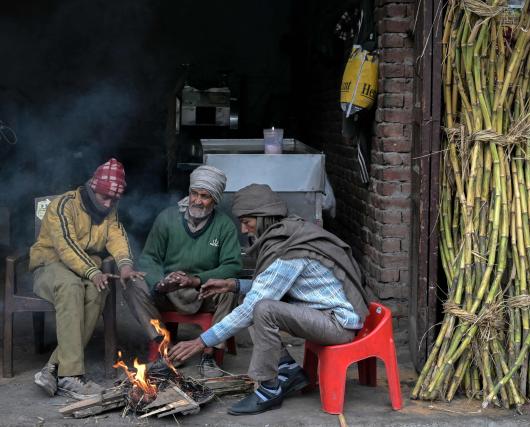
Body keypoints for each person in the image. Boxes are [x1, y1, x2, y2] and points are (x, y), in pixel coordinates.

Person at [169, 183, 370, 415]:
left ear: (264, 217)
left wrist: (201, 341)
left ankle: (269, 389)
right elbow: (272, 287)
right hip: (322, 314)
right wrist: (232, 285)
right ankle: (287, 370)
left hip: (336, 324)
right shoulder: (288, 231)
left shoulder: (288, 252)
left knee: (262, 309)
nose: (244, 229)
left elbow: (256, 304)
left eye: (247, 222)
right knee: (258, 301)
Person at [30, 158, 146, 399]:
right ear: (92, 188)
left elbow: (117, 237)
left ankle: (53, 368)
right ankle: (71, 376)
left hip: (86, 270)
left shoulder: (110, 209)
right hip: (51, 265)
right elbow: (65, 246)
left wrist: (125, 266)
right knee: (71, 286)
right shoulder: (63, 205)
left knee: (97, 290)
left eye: (114, 199)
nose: (108, 203)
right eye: (105, 198)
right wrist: (93, 272)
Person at [123, 165, 242, 377]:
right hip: (168, 291)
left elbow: (232, 265)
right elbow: (149, 257)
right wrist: (160, 281)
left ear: (215, 199)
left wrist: (196, 280)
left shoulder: (224, 226)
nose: (197, 200)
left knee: (230, 289)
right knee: (132, 283)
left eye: (205, 196)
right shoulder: (167, 218)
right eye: (194, 193)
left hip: (204, 291)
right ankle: (162, 346)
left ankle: (210, 354)